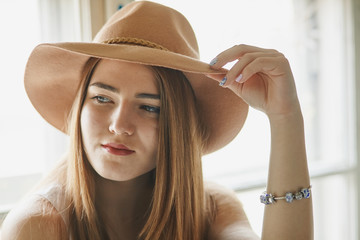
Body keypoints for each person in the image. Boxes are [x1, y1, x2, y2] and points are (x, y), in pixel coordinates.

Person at [1, 1, 313, 239]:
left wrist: (285, 117)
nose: (119, 125)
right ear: (78, 106)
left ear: (179, 125)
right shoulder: (37, 224)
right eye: (102, 98)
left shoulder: (212, 208)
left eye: (150, 107)